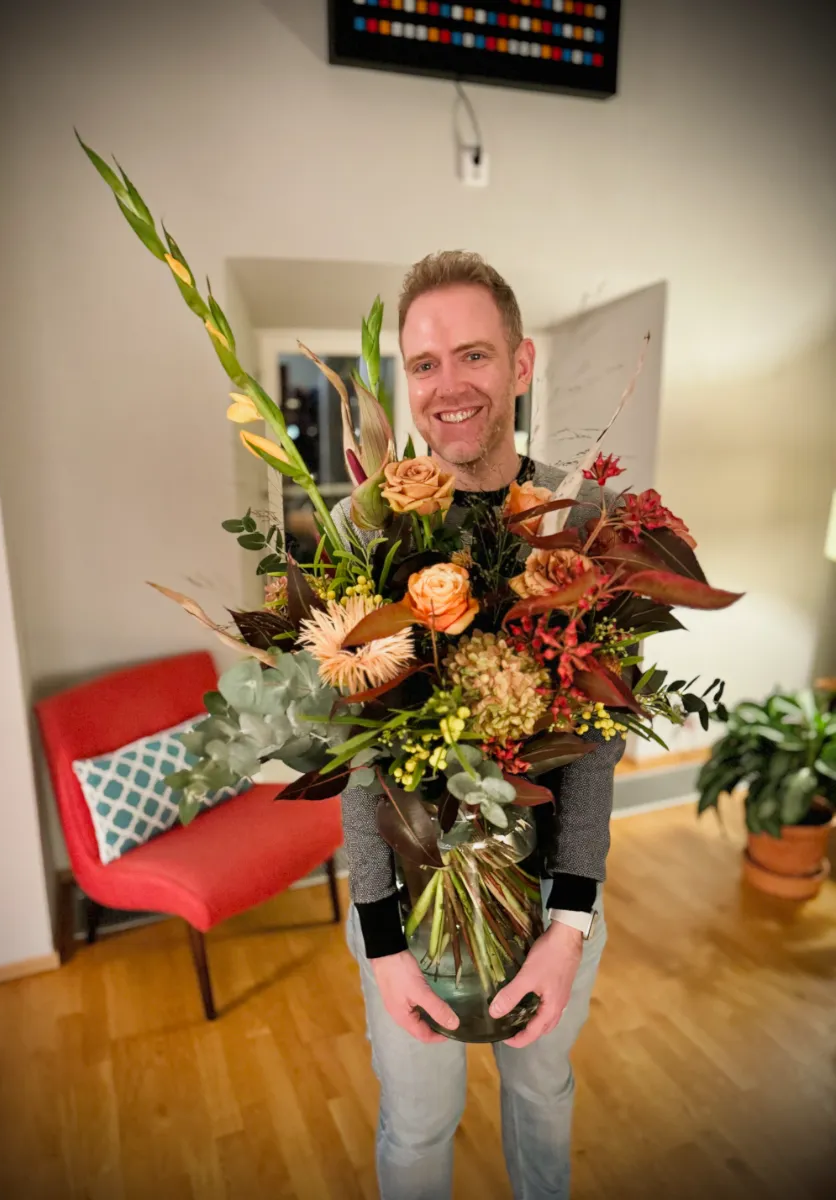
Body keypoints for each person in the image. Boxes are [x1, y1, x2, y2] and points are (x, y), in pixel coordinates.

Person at [333, 251, 626, 1200]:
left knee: (543, 1098)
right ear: (406, 383)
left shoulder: (580, 520)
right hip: (409, 909)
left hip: (550, 904)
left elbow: (596, 744)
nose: (449, 387)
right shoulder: (366, 528)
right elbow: (359, 755)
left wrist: (570, 919)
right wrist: (380, 941)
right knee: (418, 1128)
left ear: (522, 363)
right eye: (424, 365)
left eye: (474, 355)